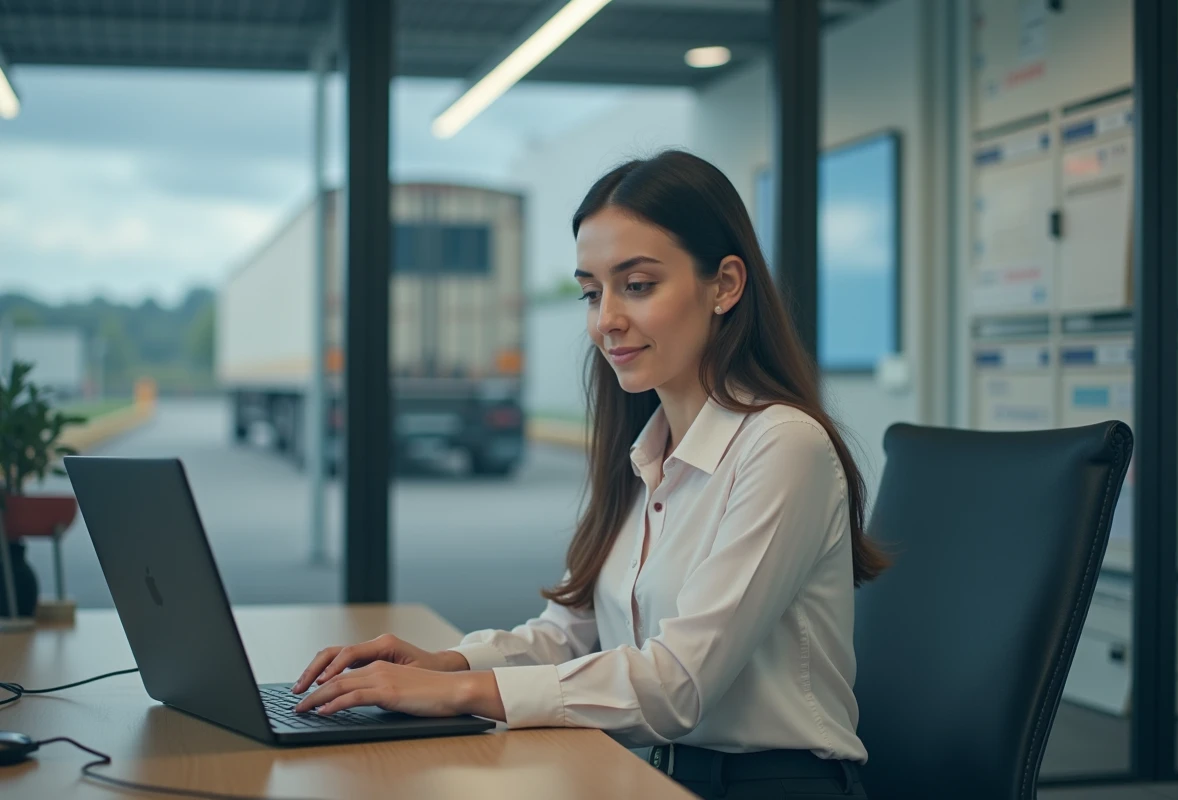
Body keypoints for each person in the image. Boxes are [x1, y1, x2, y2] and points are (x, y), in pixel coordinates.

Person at [292, 150, 889, 799]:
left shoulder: (783, 448)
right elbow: (569, 635)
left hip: (768, 786)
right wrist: (444, 662)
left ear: (725, 285)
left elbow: (676, 686)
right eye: (591, 290)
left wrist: (456, 692)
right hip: (641, 771)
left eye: (637, 285)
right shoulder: (644, 452)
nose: (605, 319)